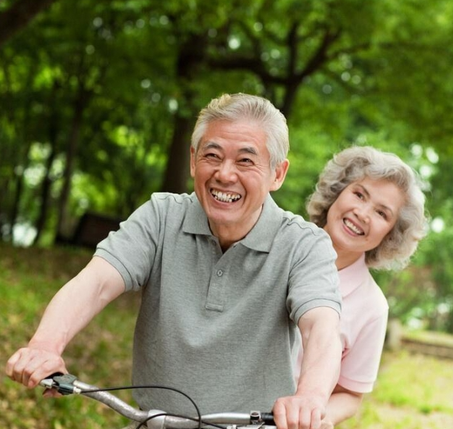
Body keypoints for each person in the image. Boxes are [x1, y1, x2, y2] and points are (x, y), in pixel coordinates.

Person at [5, 93, 343, 429]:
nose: (225, 174)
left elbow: (321, 327)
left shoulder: (305, 245)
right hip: (153, 422)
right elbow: (94, 284)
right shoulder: (161, 216)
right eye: (213, 155)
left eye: (245, 160)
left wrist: (311, 396)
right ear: (194, 160)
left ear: (277, 174)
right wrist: (45, 346)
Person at [296, 146, 427, 428]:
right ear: (336, 193)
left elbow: (350, 394)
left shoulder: (373, 307)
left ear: (390, 235)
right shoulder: (278, 246)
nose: (362, 213)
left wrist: (317, 417)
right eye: (359, 194)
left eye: (382, 213)